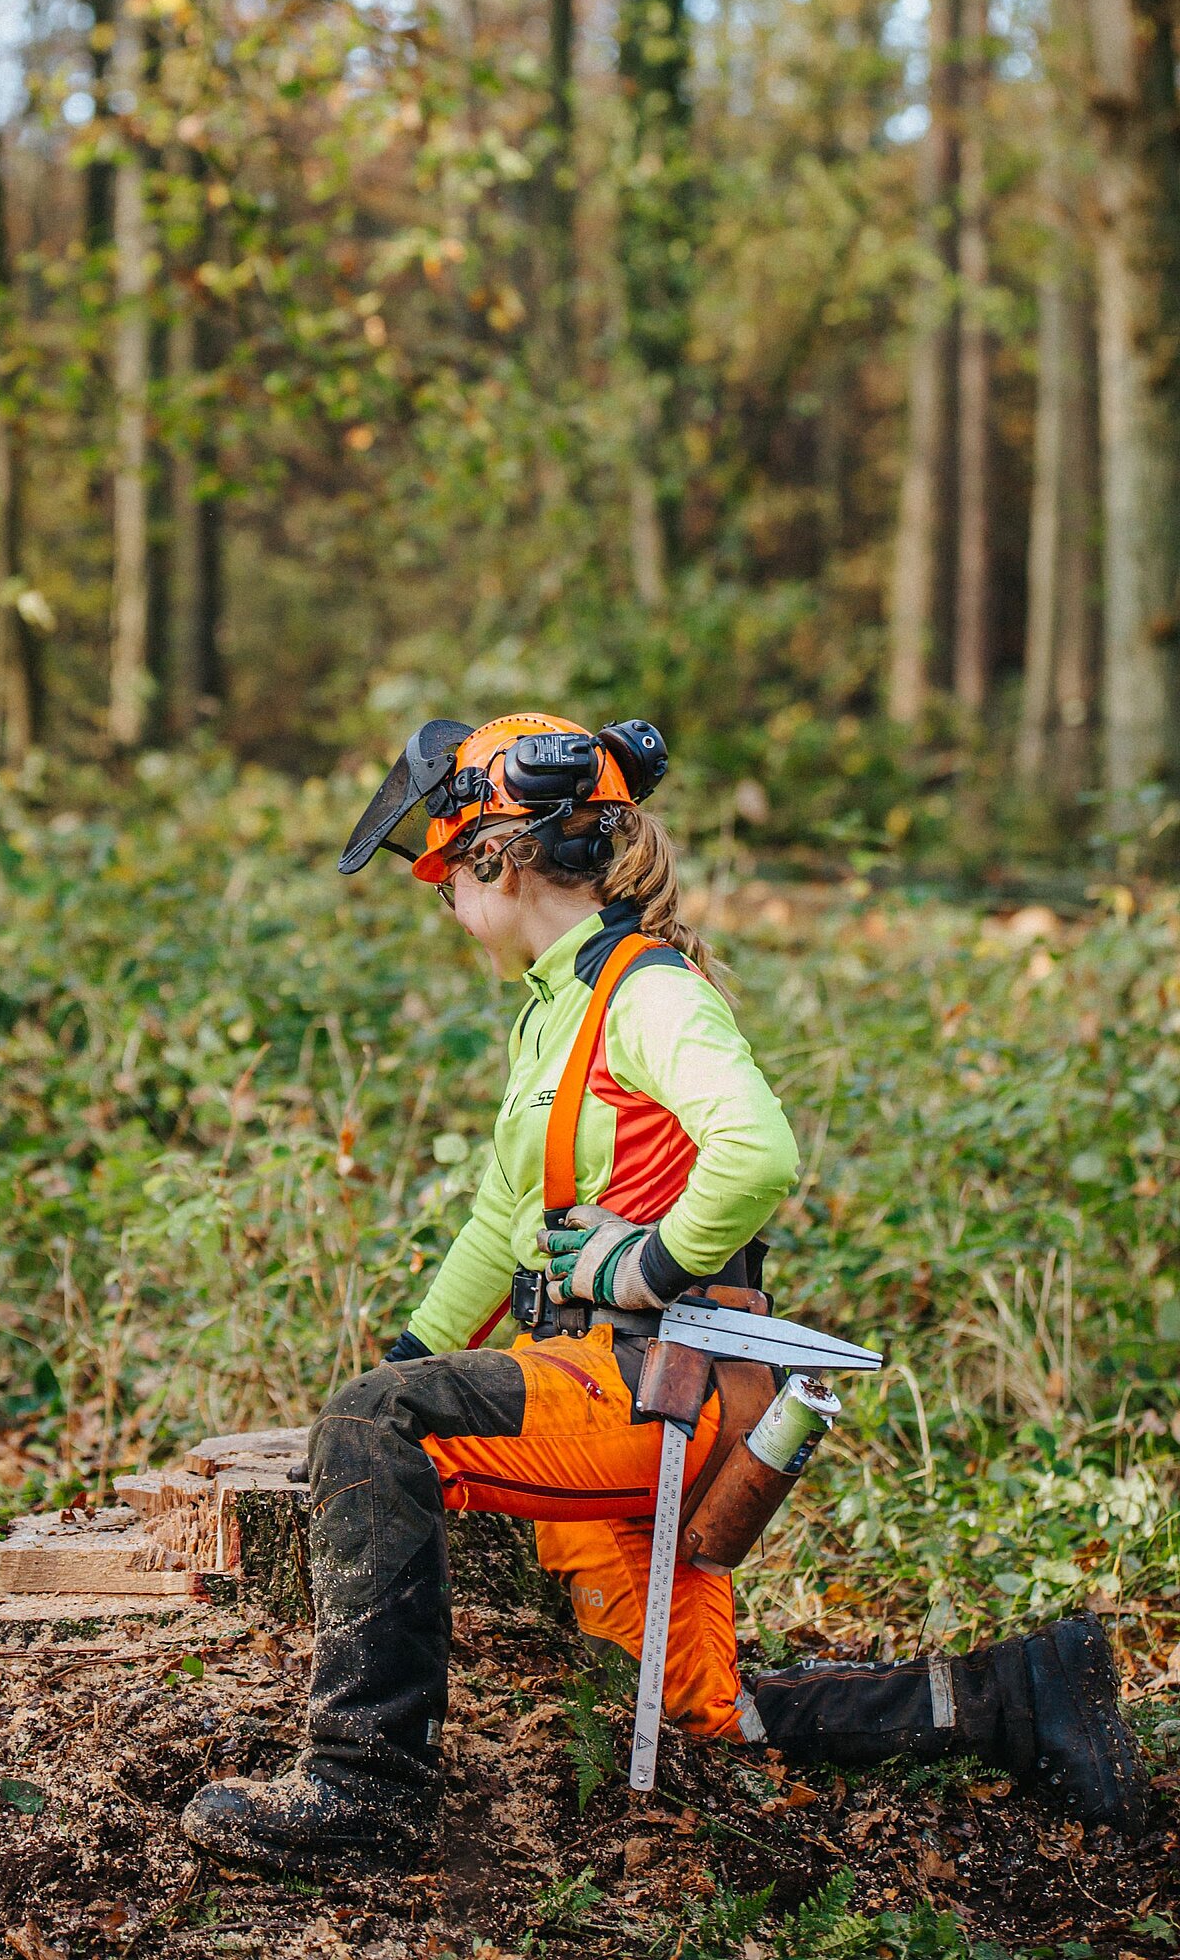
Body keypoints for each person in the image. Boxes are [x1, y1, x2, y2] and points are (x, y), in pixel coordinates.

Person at [182, 712, 1147, 1878]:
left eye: (442, 871)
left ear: (497, 858)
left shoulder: (646, 995)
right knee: (698, 1711)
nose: (437, 896)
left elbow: (758, 1150)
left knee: (374, 1424)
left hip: (655, 1385)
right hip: (612, 1387)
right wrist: (409, 1352)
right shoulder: (561, 1001)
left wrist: (637, 1268)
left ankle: (363, 1785)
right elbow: (504, 1221)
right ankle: (1019, 1694)